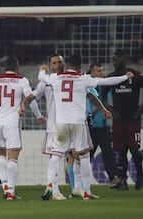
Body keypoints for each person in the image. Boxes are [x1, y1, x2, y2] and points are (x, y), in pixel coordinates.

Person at [37, 54, 133, 200]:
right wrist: (125, 77)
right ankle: (86, 191)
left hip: (61, 123)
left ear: (68, 65)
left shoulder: (55, 78)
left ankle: (51, 185)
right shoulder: (83, 78)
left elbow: (41, 77)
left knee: (56, 154)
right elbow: (107, 81)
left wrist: (42, 71)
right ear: (80, 67)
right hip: (79, 123)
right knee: (84, 156)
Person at [0, 56, 41, 200]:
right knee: (12, 158)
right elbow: (30, 98)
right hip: (12, 123)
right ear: (17, 68)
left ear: (5, 68)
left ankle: (5, 186)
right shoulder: (22, 80)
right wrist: (38, 115)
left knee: (1, 155)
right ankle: (11, 191)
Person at [20, 54, 66, 201]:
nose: (57, 64)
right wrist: (23, 107)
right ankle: (54, 189)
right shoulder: (46, 83)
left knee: (77, 156)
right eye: (54, 63)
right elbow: (31, 97)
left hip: (71, 124)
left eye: (60, 62)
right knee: (56, 157)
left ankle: (76, 188)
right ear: (51, 66)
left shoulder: (72, 79)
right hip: (55, 126)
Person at [101, 51, 143, 190]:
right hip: (119, 121)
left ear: (124, 59)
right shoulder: (111, 77)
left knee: (135, 150)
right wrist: (111, 110)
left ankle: (140, 177)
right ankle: (123, 181)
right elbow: (101, 96)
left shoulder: (136, 75)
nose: (115, 62)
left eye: (117, 59)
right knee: (121, 150)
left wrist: (140, 109)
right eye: (113, 59)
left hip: (133, 119)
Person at [87, 63, 120, 186]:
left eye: (102, 71)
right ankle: (79, 180)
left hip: (104, 125)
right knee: (87, 155)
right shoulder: (88, 85)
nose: (101, 73)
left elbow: (107, 101)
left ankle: (114, 178)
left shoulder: (104, 87)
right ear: (92, 72)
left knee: (108, 152)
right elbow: (94, 103)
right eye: (98, 71)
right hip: (91, 126)